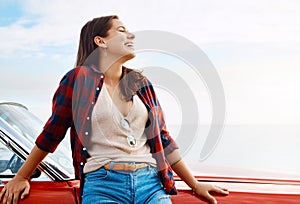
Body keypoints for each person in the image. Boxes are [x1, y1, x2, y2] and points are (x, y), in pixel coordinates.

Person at [0, 15, 229, 204]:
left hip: (151, 185)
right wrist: (22, 176)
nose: (130, 35)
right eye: (121, 30)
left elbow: (162, 138)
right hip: (103, 185)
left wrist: (195, 184)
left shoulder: (140, 82)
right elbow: (52, 133)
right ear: (101, 41)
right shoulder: (77, 79)